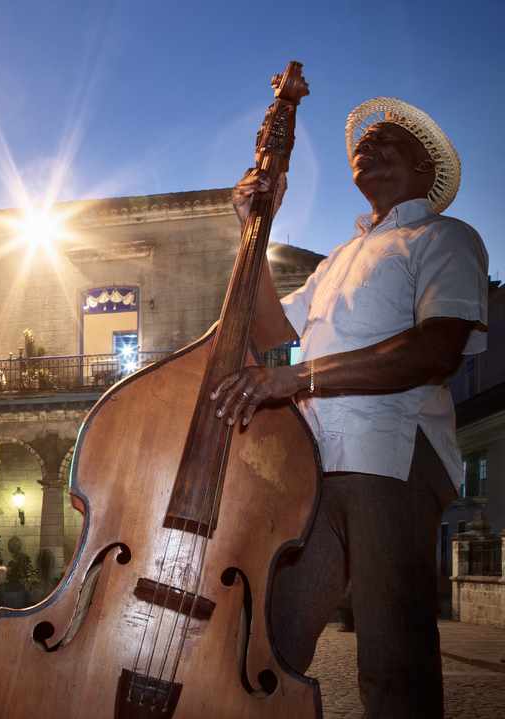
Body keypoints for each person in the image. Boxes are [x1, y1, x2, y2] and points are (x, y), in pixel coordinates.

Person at [218, 98, 483, 718]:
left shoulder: (443, 237)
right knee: (272, 640)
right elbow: (268, 331)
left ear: (424, 169)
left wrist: (300, 379)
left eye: (390, 140)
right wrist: (252, 229)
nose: (370, 144)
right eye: (366, 140)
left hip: (392, 458)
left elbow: (435, 350)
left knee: (393, 655)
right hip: (317, 467)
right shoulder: (338, 259)